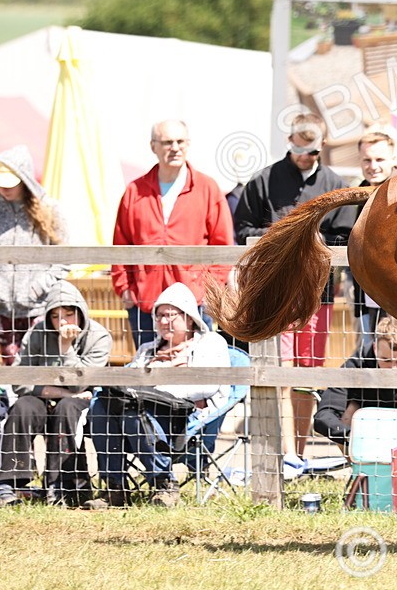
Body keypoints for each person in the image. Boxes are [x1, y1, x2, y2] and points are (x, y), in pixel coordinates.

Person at [233, 112, 355, 479]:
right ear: (290, 142)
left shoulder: (335, 184)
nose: (307, 158)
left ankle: (298, 454)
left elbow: (345, 237)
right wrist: (282, 238)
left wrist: (315, 244)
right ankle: (284, 454)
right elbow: (243, 231)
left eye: (313, 153)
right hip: (275, 292)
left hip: (319, 295)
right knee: (281, 372)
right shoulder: (263, 181)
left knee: (306, 374)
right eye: (301, 151)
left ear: (322, 146)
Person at [86, 283, 232, 509]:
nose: (163, 322)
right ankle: (114, 488)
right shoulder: (148, 349)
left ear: (190, 318)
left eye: (170, 315)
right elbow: (126, 385)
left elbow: (207, 386)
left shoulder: (210, 343)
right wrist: (168, 372)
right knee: (102, 405)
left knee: (134, 410)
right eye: (159, 316)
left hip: (186, 419)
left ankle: (164, 484)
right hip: (142, 414)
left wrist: (156, 387)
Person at [112, 120, 235, 348]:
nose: (175, 148)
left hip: (194, 302)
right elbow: (121, 244)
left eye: (180, 141)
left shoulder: (207, 189)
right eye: (167, 142)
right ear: (153, 147)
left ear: (188, 144)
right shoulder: (134, 192)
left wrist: (210, 291)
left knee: (196, 372)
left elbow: (223, 245)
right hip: (145, 303)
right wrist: (125, 289)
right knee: (148, 372)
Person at [0, 281, 111, 507]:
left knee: (67, 407)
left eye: (69, 314)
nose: (62, 322)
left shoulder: (99, 336)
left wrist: (66, 346)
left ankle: (61, 484)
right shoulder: (38, 333)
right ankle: (11, 484)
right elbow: (20, 382)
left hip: (83, 404)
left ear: (80, 313)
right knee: (23, 406)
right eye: (55, 316)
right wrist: (58, 391)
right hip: (45, 397)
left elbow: (81, 386)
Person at [313, 316, 397, 448]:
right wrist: (351, 436)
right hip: (367, 425)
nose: (393, 369)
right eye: (386, 360)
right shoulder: (358, 363)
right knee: (350, 411)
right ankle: (359, 465)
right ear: (375, 348)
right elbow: (324, 416)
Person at [0, 145, 67, 366]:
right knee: (10, 374)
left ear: (25, 179)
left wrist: (37, 288)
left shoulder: (50, 210)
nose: (4, 189)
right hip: (1, 313)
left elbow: (64, 260)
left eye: (11, 183)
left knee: (37, 371)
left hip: (38, 312)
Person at [350, 126, 397, 351]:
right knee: (369, 351)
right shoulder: (353, 195)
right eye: (367, 160)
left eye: (380, 159)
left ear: (393, 160)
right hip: (365, 292)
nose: (373, 166)